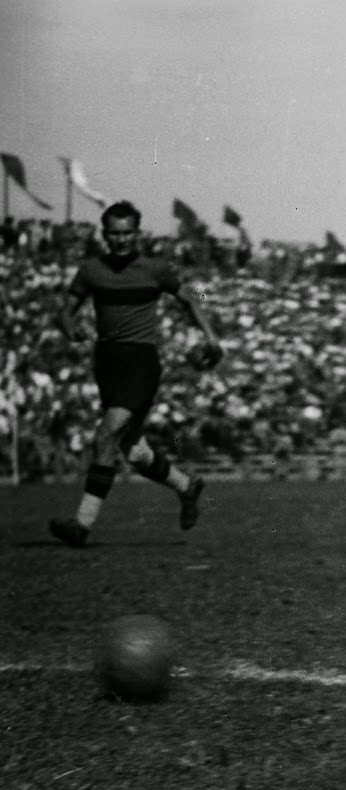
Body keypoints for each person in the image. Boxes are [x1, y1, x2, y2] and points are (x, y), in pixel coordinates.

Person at [48, 200, 223, 547]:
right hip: (107, 363)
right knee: (132, 449)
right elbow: (65, 312)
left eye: (128, 233)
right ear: (105, 234)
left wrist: (211, 336)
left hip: (141, 362)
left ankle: (81, 524)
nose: (121, 240)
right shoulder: (90, 270)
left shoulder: (155, 269)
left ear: (138, 233)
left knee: (106, 435)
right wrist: (70, 329)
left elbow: (188, 297)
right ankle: (187, 487)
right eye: (115, 233)